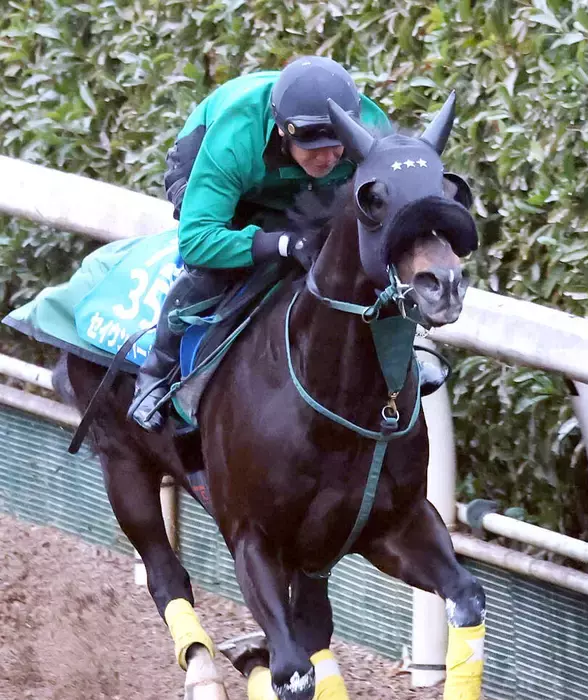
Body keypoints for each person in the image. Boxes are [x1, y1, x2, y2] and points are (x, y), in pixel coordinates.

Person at [128, 57, 391, 432]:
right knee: (215, 269)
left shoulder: (372, 127)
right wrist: (280, 243)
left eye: (338, 145)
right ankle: (155, 372)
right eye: (314, 146)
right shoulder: (236, 137)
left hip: (300, 183)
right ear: (285, 131)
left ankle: (403, 357)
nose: (330, 156)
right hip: (211, 159)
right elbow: (197, 241)